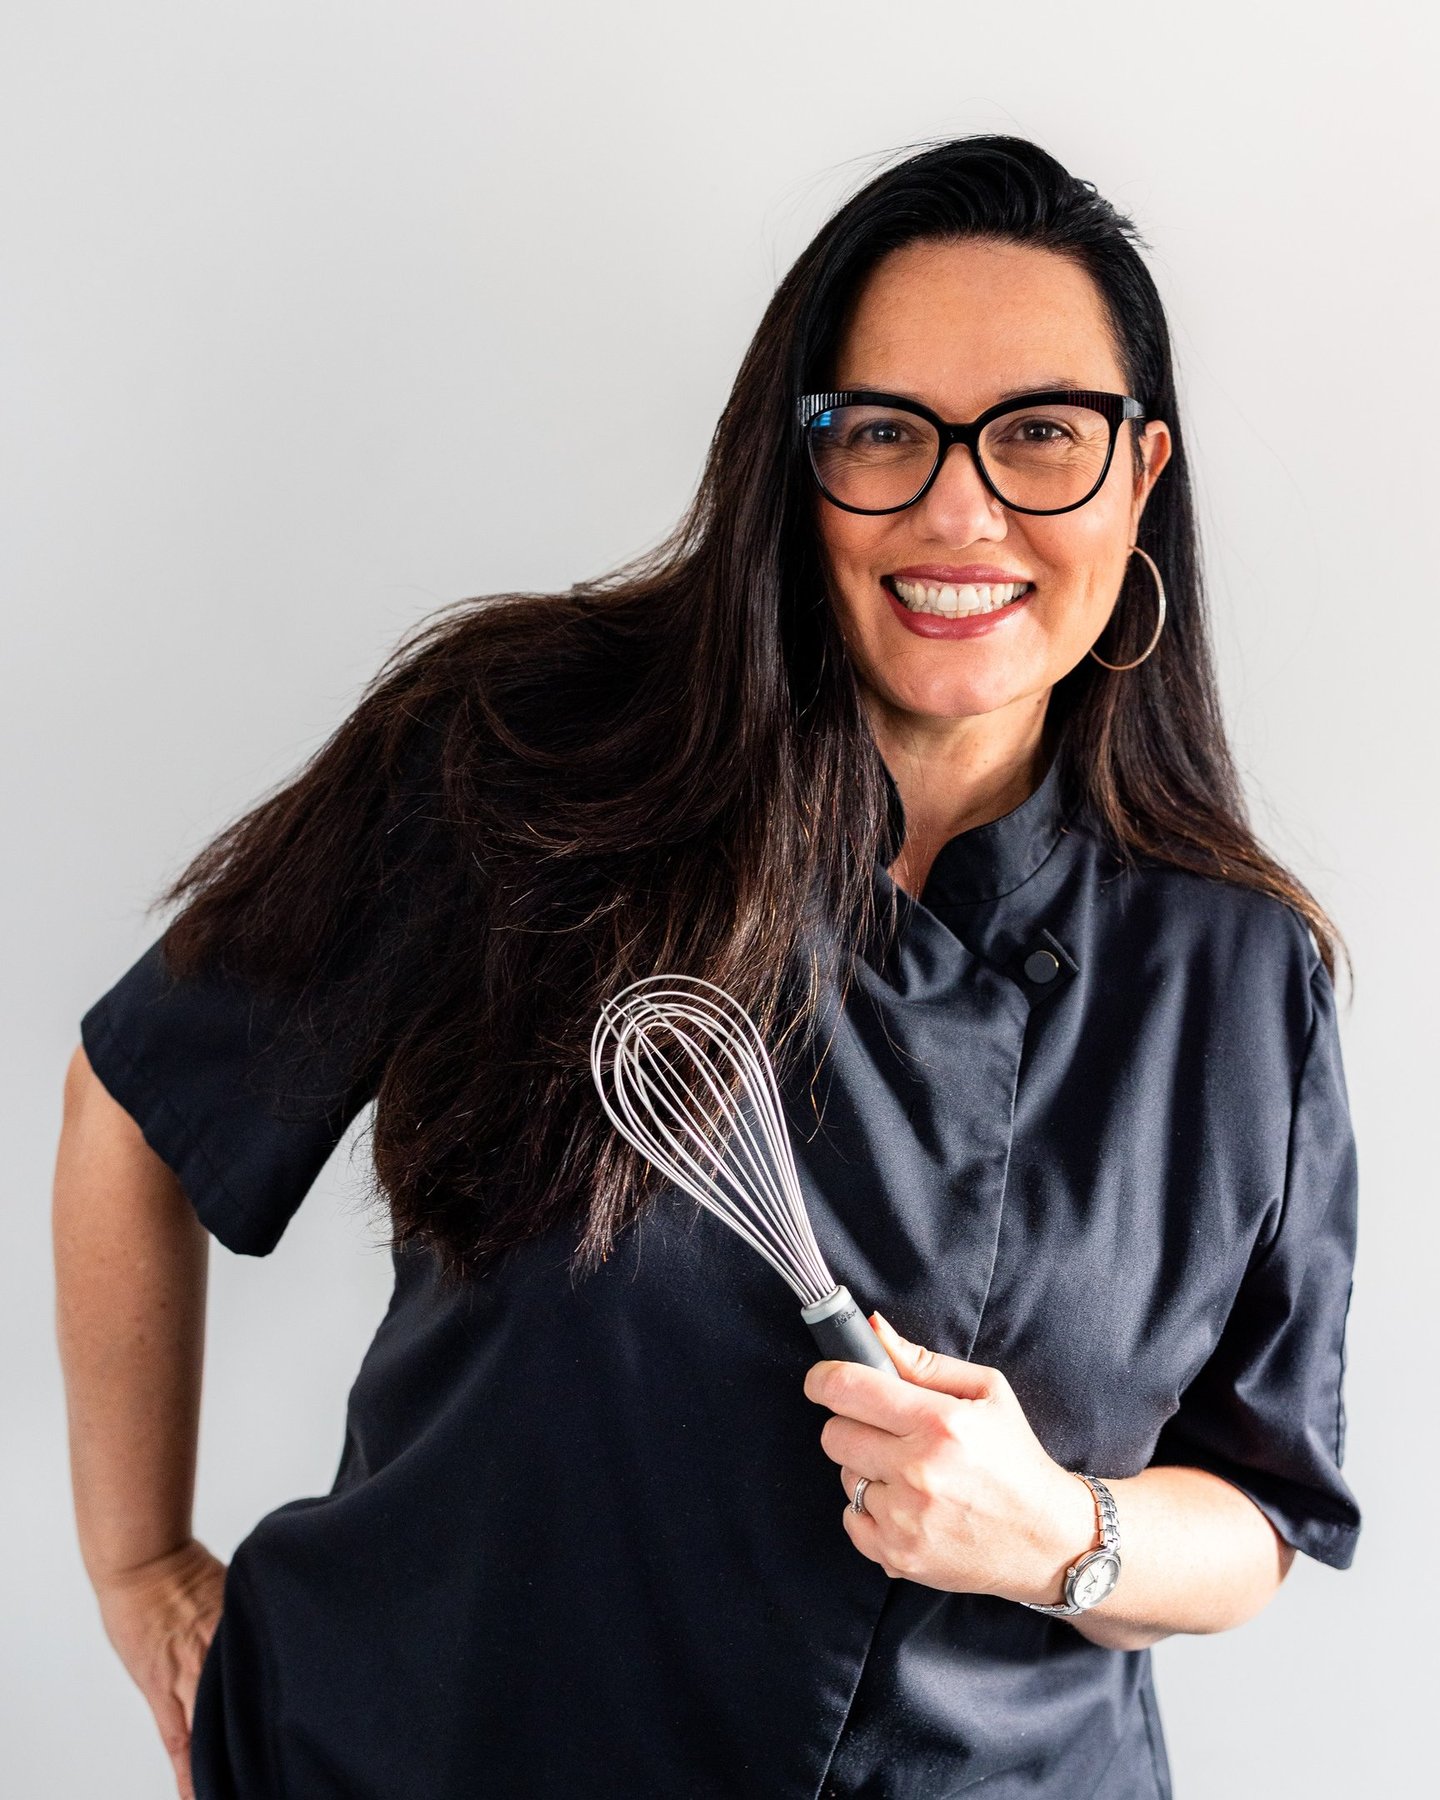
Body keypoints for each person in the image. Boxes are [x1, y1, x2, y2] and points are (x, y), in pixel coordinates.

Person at [53, 134, 1362, 1800]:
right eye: (883, 431)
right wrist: (139, 1570)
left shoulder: (1239, 977)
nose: (961, 509)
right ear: (795, 466)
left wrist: (1060, 1531)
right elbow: (141, 1099)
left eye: (1041, 432)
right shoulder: (523, 766)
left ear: (1139, 472)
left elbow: (1260, 1509)